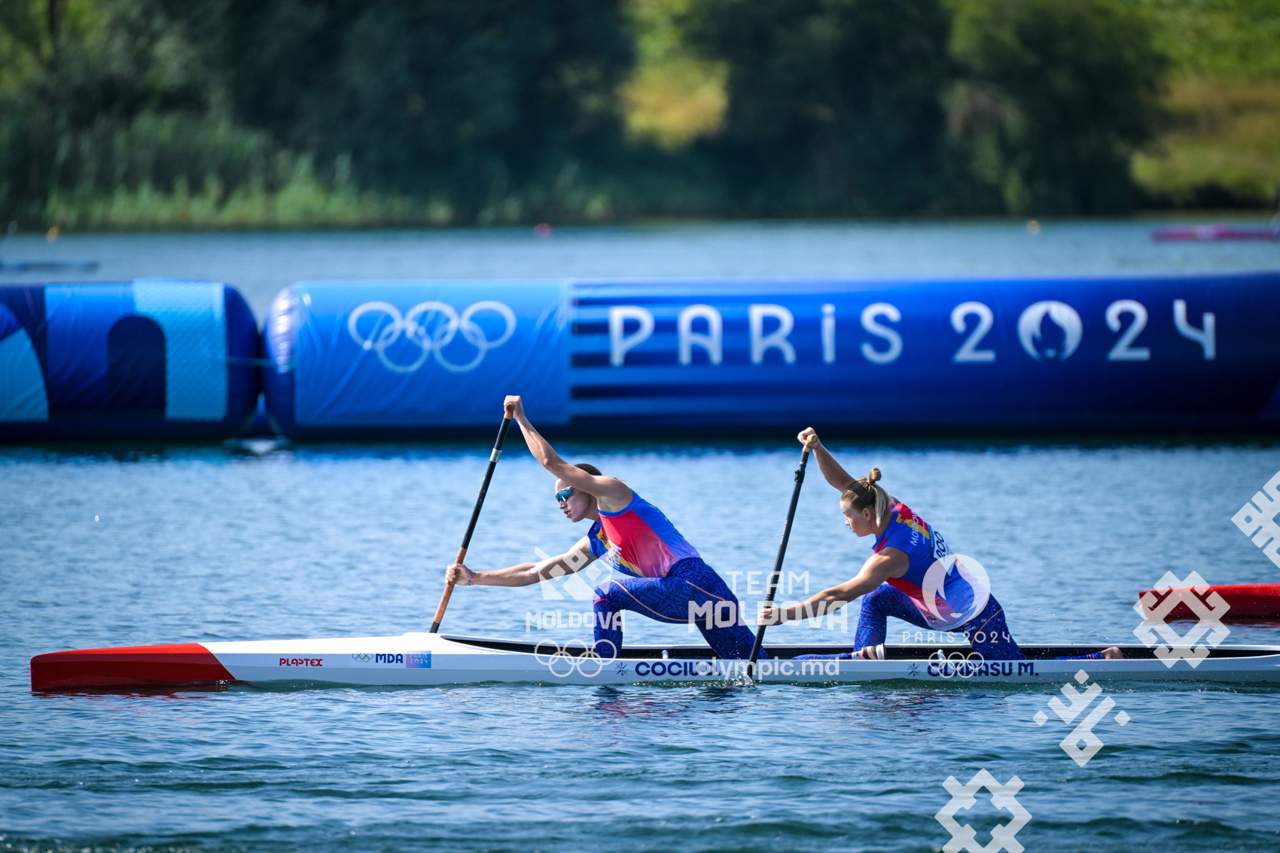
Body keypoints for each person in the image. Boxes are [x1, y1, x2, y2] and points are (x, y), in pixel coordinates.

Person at [759, 428, 1121, 662]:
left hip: (974, 610)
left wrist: (782, 616)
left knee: (1017, 671)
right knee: (878, 599)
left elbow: (837, 595)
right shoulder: (892, 505)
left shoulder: (889, 557)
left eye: (849, 517)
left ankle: (1103, 659)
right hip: (942, 603)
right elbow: (845, 484)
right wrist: (818, 447)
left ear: (868, 515)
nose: (845, 522)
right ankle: (864, 661)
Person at [445, 395, 762, 662]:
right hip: (703, 596)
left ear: (586, 488)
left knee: (604, 593)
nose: (561, 502)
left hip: (694, 583)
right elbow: (536, 572)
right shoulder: (596, 543)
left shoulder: (614, 494)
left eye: (565, 493)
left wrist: (522, 420)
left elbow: (552, 463)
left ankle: (605, 666)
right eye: (556, 498)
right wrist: (473, 578)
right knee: (755, 666)